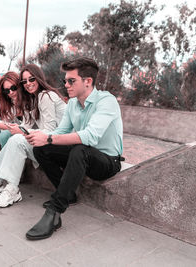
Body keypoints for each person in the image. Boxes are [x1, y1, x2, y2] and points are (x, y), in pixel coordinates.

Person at [24, 57, 124, 240]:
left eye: (71, 81)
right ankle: (68, 194)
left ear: (88, 82)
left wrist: (48, 137)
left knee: (80, 149)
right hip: (84, 153)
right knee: (42, 149)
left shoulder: (106, 101)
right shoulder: (72, 104)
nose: (66, 85)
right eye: (65, 81)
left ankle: (54, 212)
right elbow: (60, 132)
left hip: (108, 161)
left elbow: (90, 136)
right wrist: (39, 137)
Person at [0, 64, 66, 208]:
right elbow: (26, 127)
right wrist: (15, 128)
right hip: (48, 144)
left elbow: (50, 131)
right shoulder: (32, 100)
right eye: (24, 81)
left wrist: (18, 130)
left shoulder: (45, 95)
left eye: (31, 79)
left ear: (39, 78)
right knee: (14, 138)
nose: (28, 83)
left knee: (16, 139)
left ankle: (6, 186)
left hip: (61, 145)